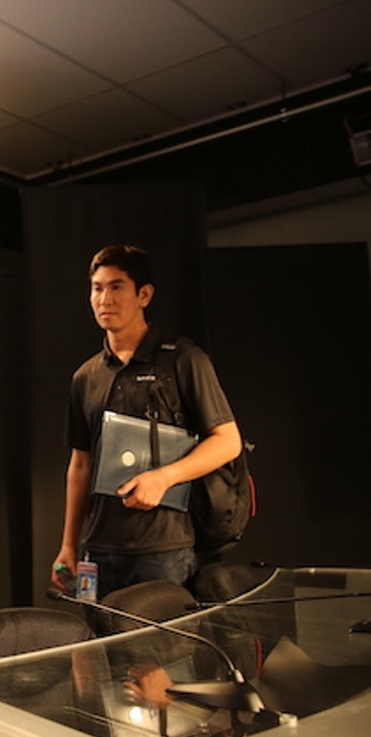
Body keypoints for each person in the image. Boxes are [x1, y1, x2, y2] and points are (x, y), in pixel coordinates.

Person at [52, 244, 241, 600]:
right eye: (97, 287)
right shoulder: (86, 376)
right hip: (98, 551)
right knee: (100, 654)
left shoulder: (182, 359)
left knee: (161, 656)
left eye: (117, 286)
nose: (104, 298)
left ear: (144, 294)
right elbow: (80, 465)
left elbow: (227, 441)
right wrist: (68, 545)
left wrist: (164, 477)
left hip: (163, 549)